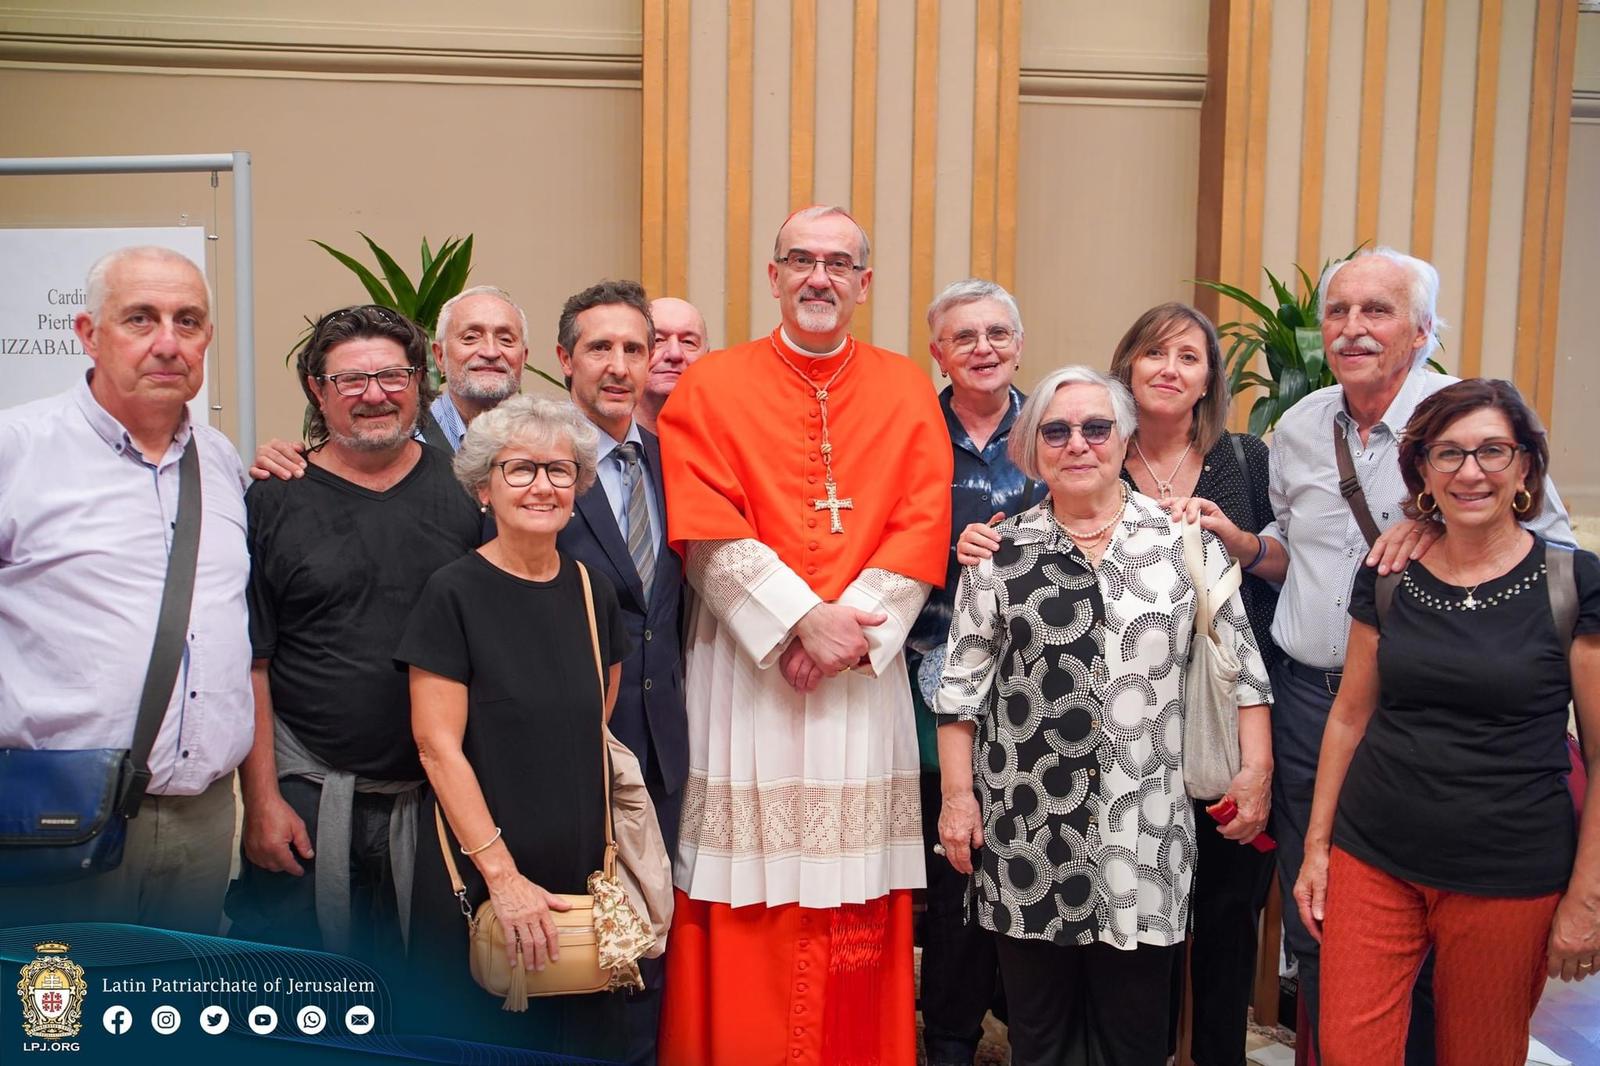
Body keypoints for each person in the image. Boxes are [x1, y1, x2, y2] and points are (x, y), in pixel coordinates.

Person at [656, 205, 953, 1066]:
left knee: (851, 886)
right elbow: (701, 522)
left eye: (838, 263)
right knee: (743, 885)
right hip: (744, 670)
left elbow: (922, 518)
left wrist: (843, 633)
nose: (819, 277)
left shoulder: (903, 386)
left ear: (864, 283)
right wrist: (798, 619)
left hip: (859, 672)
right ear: (775, 275)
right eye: (801, 260)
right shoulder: (711, 384)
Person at [1262, 247, 1575, 1060]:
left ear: (1424, 329)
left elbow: (1548, 552)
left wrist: (1442, 521)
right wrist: (1243, 544)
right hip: (1312, 705)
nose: (1353, 328)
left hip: (1432, 715)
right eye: (1339, 311)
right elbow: (1293, 543)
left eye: (1378, 310)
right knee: (1322, 919)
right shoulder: (1298, 427)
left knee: (1454, 976)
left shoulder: (1473, 424)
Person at [936, 365, 1271, 1066]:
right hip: (1026, 831)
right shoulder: (998, 553)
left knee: (1135, 1039)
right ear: (1032, 449)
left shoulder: (1184, 541)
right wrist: (958, 800)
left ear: (1123, 439)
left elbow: (1243, 671)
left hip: (1146, 832)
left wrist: (1257, 773)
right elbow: (960, 692)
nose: (1078, 444)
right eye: (1056, 431)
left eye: (1096, 427)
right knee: (1039, 1039)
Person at [0, 246, 250, 933]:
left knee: (176, 995)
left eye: (187, 321)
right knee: (57, 999)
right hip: (58, 814)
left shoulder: (220, 460)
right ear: (88, 333)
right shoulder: (17, 448)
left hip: (204, 817)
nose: (167, 342)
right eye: (140, 318)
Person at [227, 305, 482, 962]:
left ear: (419, 380)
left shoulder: (466, 494)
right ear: (318, 391)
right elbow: (252, 663)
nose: (375, 394)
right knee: (302, 992)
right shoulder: (272, 498)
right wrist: (262, 801)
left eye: (392, 375)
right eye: (350, 380)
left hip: (435, 803)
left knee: (430, 989)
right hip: (306, 798)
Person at [398, 394, 632, 1060]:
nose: (542, 486)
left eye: (560, 471)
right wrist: (502, 878)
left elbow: (594, 721)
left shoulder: (593, 591)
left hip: (581, 875)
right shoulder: (451, 592)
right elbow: (436, 748)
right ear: (484, 488)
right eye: (520, 469)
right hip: (480, 875)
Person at [552, 279, 688, 1065]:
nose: (618, 364)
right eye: (599, 347)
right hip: (566, 743)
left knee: (645, 936)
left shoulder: (675, 463)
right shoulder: (534, 461)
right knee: (569, 942)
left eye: (634, 348)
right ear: (565, 358)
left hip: (661, 747)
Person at [911, 278, 1041, 1066]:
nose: (983, 349)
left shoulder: (1058, 425)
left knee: (1029, 851)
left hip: (1041, 689)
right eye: (964, 337)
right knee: (954, 856)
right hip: (930, 680)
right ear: (939, 352)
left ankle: (1030, 1024)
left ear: (1019, 345)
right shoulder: (910, 431)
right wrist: (942, 555)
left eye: (997, 334)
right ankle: (952, 1035)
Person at [246, 284, 529, 476]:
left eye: (506, 339)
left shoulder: (545, 440)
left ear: (524, 356)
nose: (490, 351)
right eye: (470, 337)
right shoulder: (390, 430)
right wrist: (281, 459)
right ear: (439, 356)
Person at [637, 296, 708, 434]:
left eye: (688, 342)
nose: (674, 354)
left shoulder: (725, 438)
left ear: (707, 355)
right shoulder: (595, 438)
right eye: (658, 340)